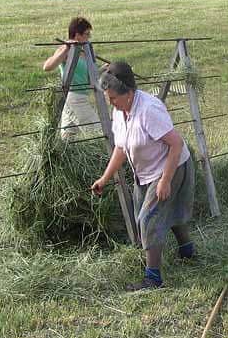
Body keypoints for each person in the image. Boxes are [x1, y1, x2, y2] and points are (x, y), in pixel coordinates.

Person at [91, 61, 196, 290]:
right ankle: (187, 251)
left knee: (148, 218)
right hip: (146, 173)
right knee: (160, 213)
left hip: (171, 165)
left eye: (113, 98)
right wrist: (104, 178)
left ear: (128, 93)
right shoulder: (120, 111)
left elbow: (176, 144)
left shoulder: (148, 109)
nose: (111, 103)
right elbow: (120, 148)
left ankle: (153, 278)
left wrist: (166, 180)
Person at [42, 17, 99, 140]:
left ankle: (61, 158)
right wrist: (67, 48)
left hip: (82, 96)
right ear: (77, 35)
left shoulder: (86, 52)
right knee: (98, 132)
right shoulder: (66, 49)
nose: (89, 38)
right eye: (87, 34)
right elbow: (47, 67)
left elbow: (90, 79)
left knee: (68, 139)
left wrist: (104, 69)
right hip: (74, 98)